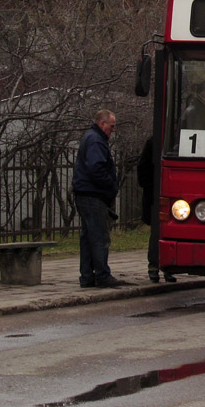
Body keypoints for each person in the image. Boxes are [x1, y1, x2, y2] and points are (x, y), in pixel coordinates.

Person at [73, 109, 126, 288]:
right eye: (111, 127)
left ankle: (87, 276)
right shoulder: (96, 141)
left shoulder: (91, 138)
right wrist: (110, 185)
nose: (113, 130)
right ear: (102, 123)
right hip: (93, 194)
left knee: (88, 236)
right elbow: (96, 168)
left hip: (84, 192)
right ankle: (102, 274)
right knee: (99, 236)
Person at [137, 137, 175, 283]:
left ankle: (167, 266)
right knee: (157, 233)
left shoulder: (166, 140)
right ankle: (155, 266)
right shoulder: (155, 141)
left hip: (167, 193)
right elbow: (143, 169)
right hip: (155, 194)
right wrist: (151, 188)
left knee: (168, 231)